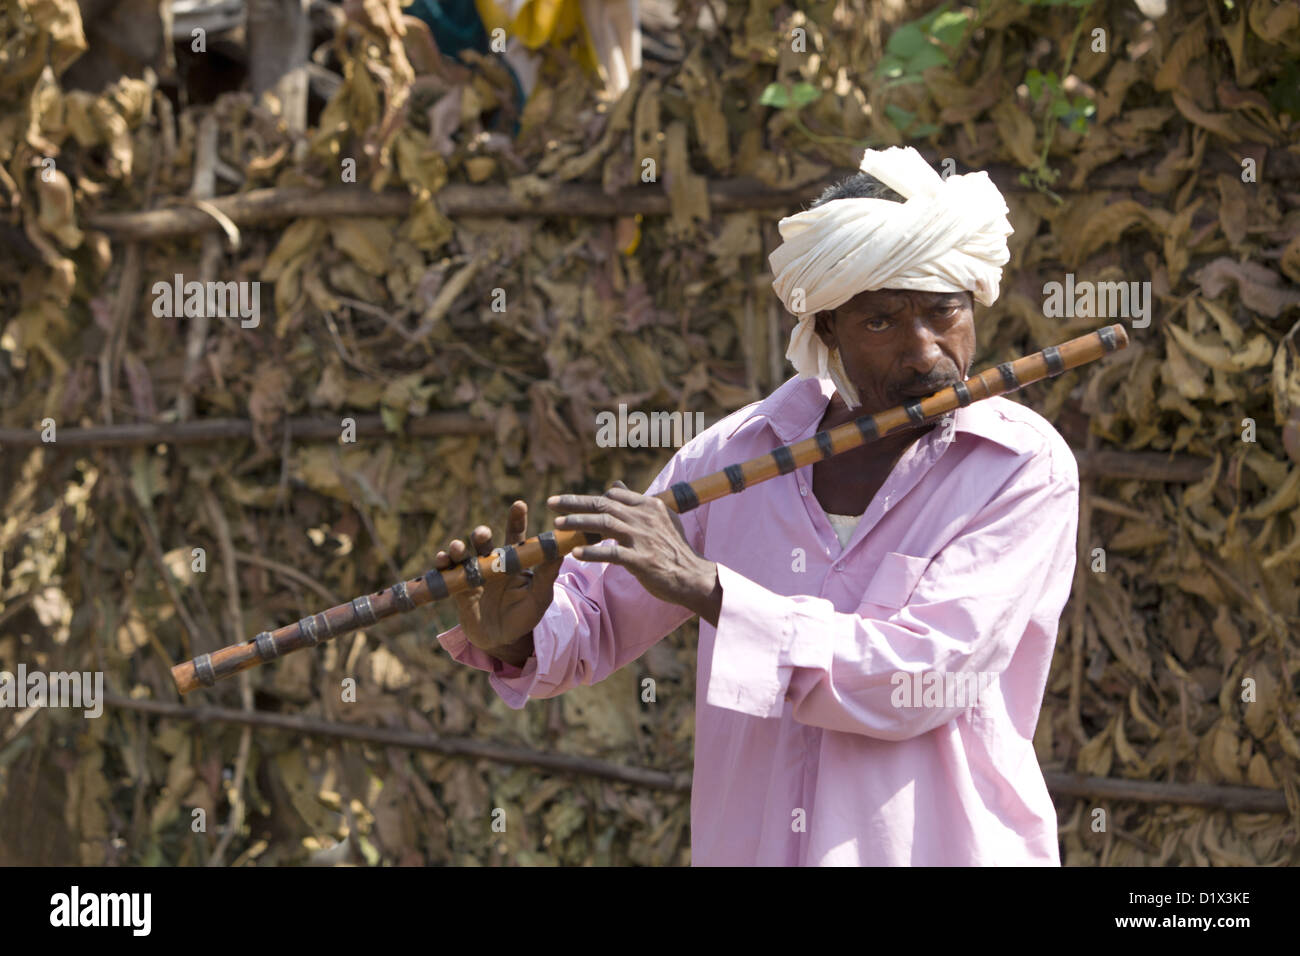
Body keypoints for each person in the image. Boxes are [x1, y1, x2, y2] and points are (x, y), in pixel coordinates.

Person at [432, 146, 1080, 865]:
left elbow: (920, 678)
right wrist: (517, 634)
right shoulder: (735, 456)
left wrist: (711, 591)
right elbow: (593, 622)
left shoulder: (1021, 468)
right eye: (881, 322)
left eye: (942, 312)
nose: (925, 351)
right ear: (827, 329)